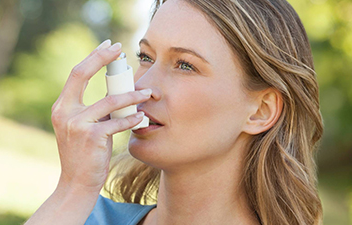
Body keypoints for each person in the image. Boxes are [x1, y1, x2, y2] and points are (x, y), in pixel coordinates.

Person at [25, 0, 323, 224]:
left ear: (260, 110)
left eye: (185, 65)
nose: (142, 85)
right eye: (145, 57)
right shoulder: (77, 215)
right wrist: (73, 190)